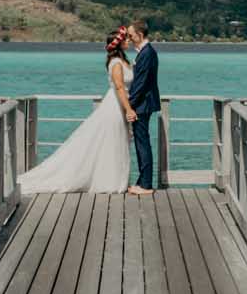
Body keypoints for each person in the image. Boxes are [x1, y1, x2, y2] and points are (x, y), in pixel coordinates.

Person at [17, 25, 136, 194]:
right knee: (112, 142)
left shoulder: (124, 60)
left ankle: (115, 179)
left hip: (119, 105)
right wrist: (129, 109)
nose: (129, 41)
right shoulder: (116, 63)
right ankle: (109, 182)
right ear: (119, 43)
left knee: (115, 142)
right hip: (115, 106)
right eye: (126, 39)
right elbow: (119, 88)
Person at [124, 17, 161, 195]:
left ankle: (146, 184)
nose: (129, 39)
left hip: (142, 105)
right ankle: (142, 181)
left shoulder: (147, 53)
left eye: (131, 36)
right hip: (142, 104)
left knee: (143, 144)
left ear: (140, 34)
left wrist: (128, 106)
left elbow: (141, 84)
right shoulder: (145, 52)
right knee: (141, 143)